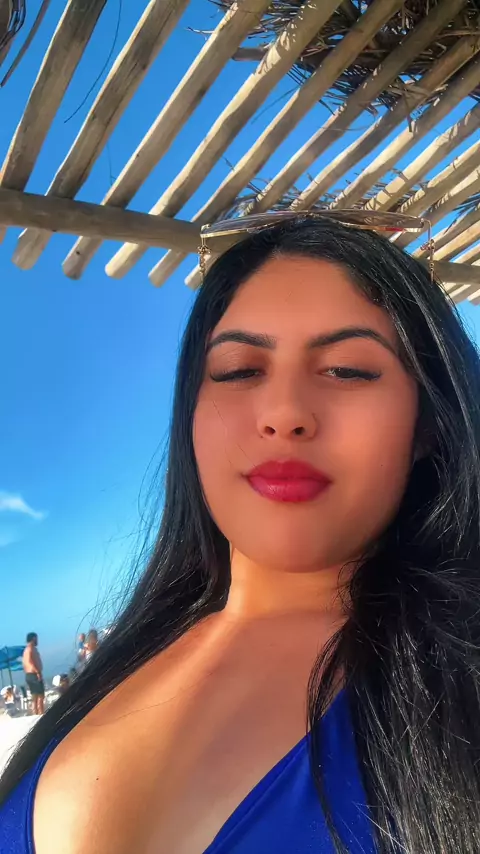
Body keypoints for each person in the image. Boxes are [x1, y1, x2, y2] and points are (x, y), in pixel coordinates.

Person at [1, 217, 480, 854]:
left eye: (346, 369)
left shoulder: (459, 679)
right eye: (237, 370)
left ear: (428, 425)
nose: (284, 414)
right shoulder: (135, 650)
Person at [21, 632, 44, 716]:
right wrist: (37, 672)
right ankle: (40, 714)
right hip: (33, 674)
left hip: (31, 674)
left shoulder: (30, 649)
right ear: (33, 638)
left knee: (36, 695)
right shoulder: (29, 649)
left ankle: (38, 713)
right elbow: (28, 662)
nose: (37, 640)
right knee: (39, 695)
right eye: (36, 638)